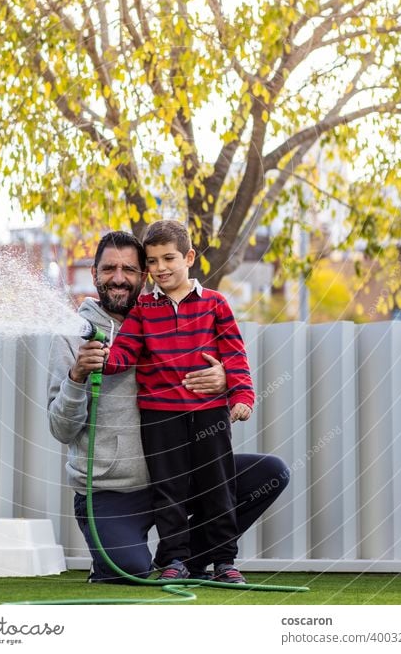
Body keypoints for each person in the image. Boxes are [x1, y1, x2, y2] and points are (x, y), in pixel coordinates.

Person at [47, 230, 290, 584]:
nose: (119, 277)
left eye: (130, 269)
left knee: (264, 475)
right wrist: (80, 374)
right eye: (109, 268)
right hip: (113, 490)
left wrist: (229, 384)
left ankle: (197, 560)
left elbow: (231, 353)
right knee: (128, 571)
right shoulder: (78, 336)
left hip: (187, 458)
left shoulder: (200, 307)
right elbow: (62, 428)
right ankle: (151, 559)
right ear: (94, 272)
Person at [101, 220, 254, 583]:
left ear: (188, 257)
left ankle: (224, 562)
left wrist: (242, 394)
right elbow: (124, 354)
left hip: (209, 415)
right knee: (168, 491)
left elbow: (234, 355)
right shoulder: (142, 310)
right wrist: (104, 359)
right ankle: (174, 561)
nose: (160, 268)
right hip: (159, 417)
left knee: (217, 487)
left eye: (168, 258)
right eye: (152, 262)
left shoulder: (215, 304)